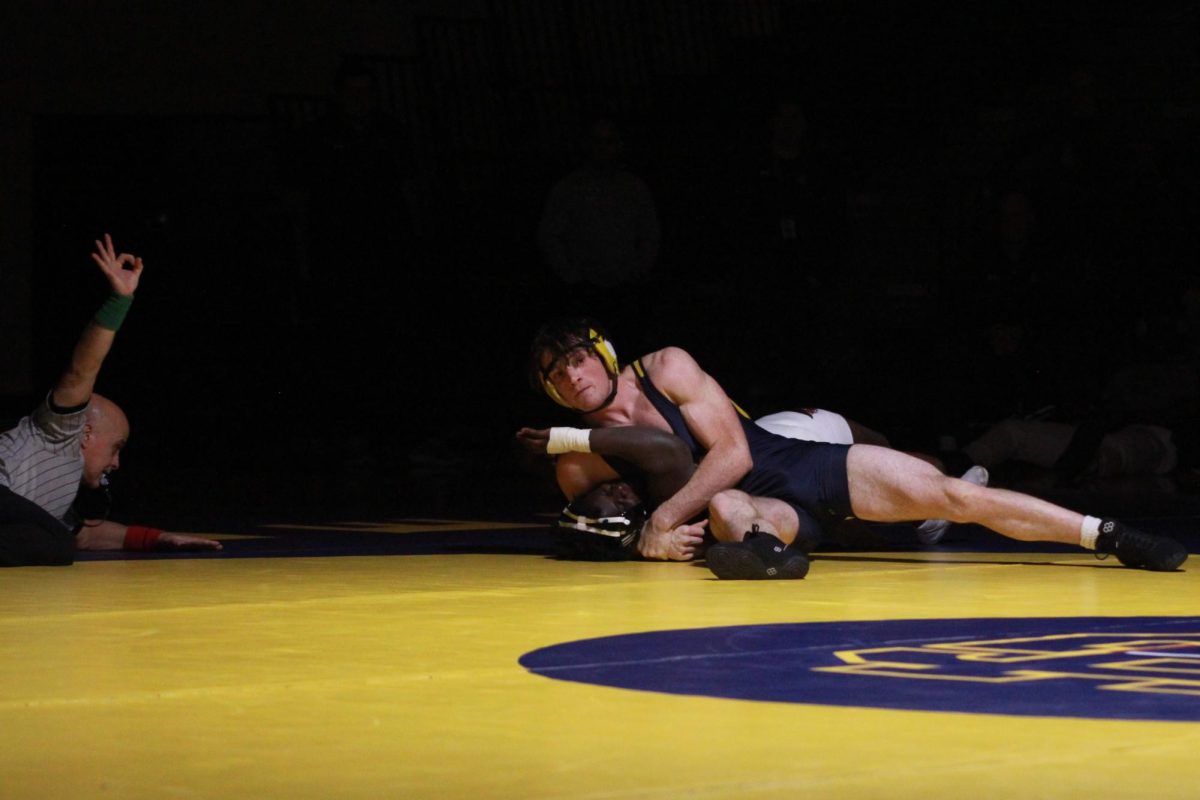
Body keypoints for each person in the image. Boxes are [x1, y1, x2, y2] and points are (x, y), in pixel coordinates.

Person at [521, 318, 1188, 577]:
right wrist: (653, 537)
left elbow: (734, 453)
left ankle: (1107, 535)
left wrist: (663, 521)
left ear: (601, 353)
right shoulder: (579, 459)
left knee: (955, 495)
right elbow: (602, 528)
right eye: (557, 374)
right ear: (551, 391)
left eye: (577, 360)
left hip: (787, 462)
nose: (573, 376)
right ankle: (768, 557)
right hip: (748, 509)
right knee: (727, 509)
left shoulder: (666, 366)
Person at [0, 235, 222, 567]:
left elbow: (87, 536)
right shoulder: (59, 431)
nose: (116, 463)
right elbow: (81, 371)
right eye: (116, 447)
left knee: (57, 541)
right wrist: (119, 301)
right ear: (85, 434)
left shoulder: (58, 499)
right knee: (56, 544)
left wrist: (159, 538)